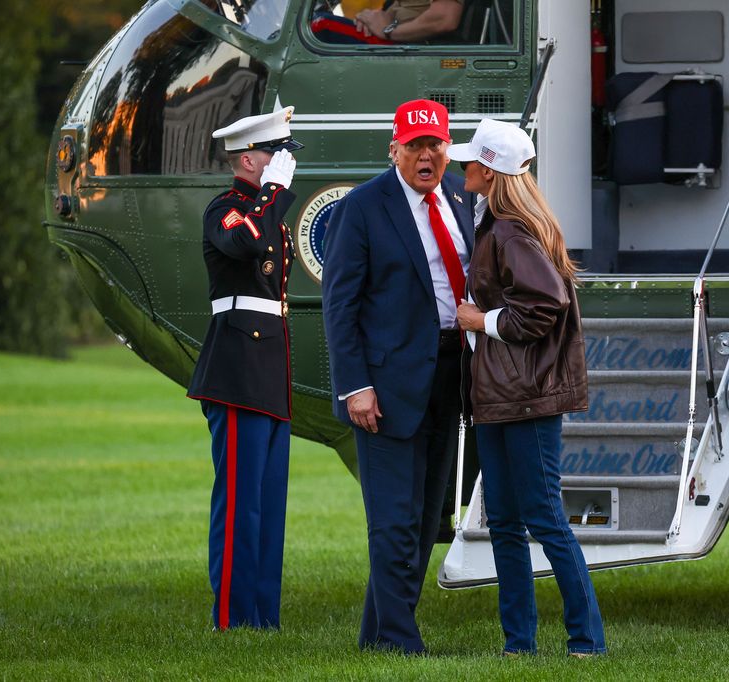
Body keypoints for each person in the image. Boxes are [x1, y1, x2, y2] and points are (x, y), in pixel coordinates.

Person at [322, 99, 475, 653]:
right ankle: (400, 643)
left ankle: (378, 635)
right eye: (415, 146)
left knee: (425, 520)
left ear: (447, 147)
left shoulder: (460, 197)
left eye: (435, 144)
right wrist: (355, 386)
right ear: (395, 149)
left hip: (450, 375)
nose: (426, 155)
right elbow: (339, 305)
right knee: (392, 519)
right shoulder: (361, 208)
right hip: (384, 388)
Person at [451, 119, 607, 657]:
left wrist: (483, 322)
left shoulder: (510, 230)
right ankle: (520, 643)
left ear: (488, 171)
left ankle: (585, 640)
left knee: (538, 519)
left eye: (471, 159)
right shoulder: (503, 222)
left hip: (524, 395)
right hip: (502, 394)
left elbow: (545, 302)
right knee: (509, 523)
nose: (461, 165)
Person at [186, 107, 302, 630]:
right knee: (239, 504)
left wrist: (271, 198)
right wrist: (272, 194)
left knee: (268, 505)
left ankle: (264, 619)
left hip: (270, 368)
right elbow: (246, 242)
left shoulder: (261, 208)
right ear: (251, 159)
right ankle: (233, 619)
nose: (287, 165)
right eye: (279, 155)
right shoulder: (226, 209)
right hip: (236, 370)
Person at [311, 0, 463, 44]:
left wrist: (388, 32)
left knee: (320, 24)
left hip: (416, 46)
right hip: (399, 39)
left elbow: (445, 18)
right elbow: (396, 12)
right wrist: (369, 20)